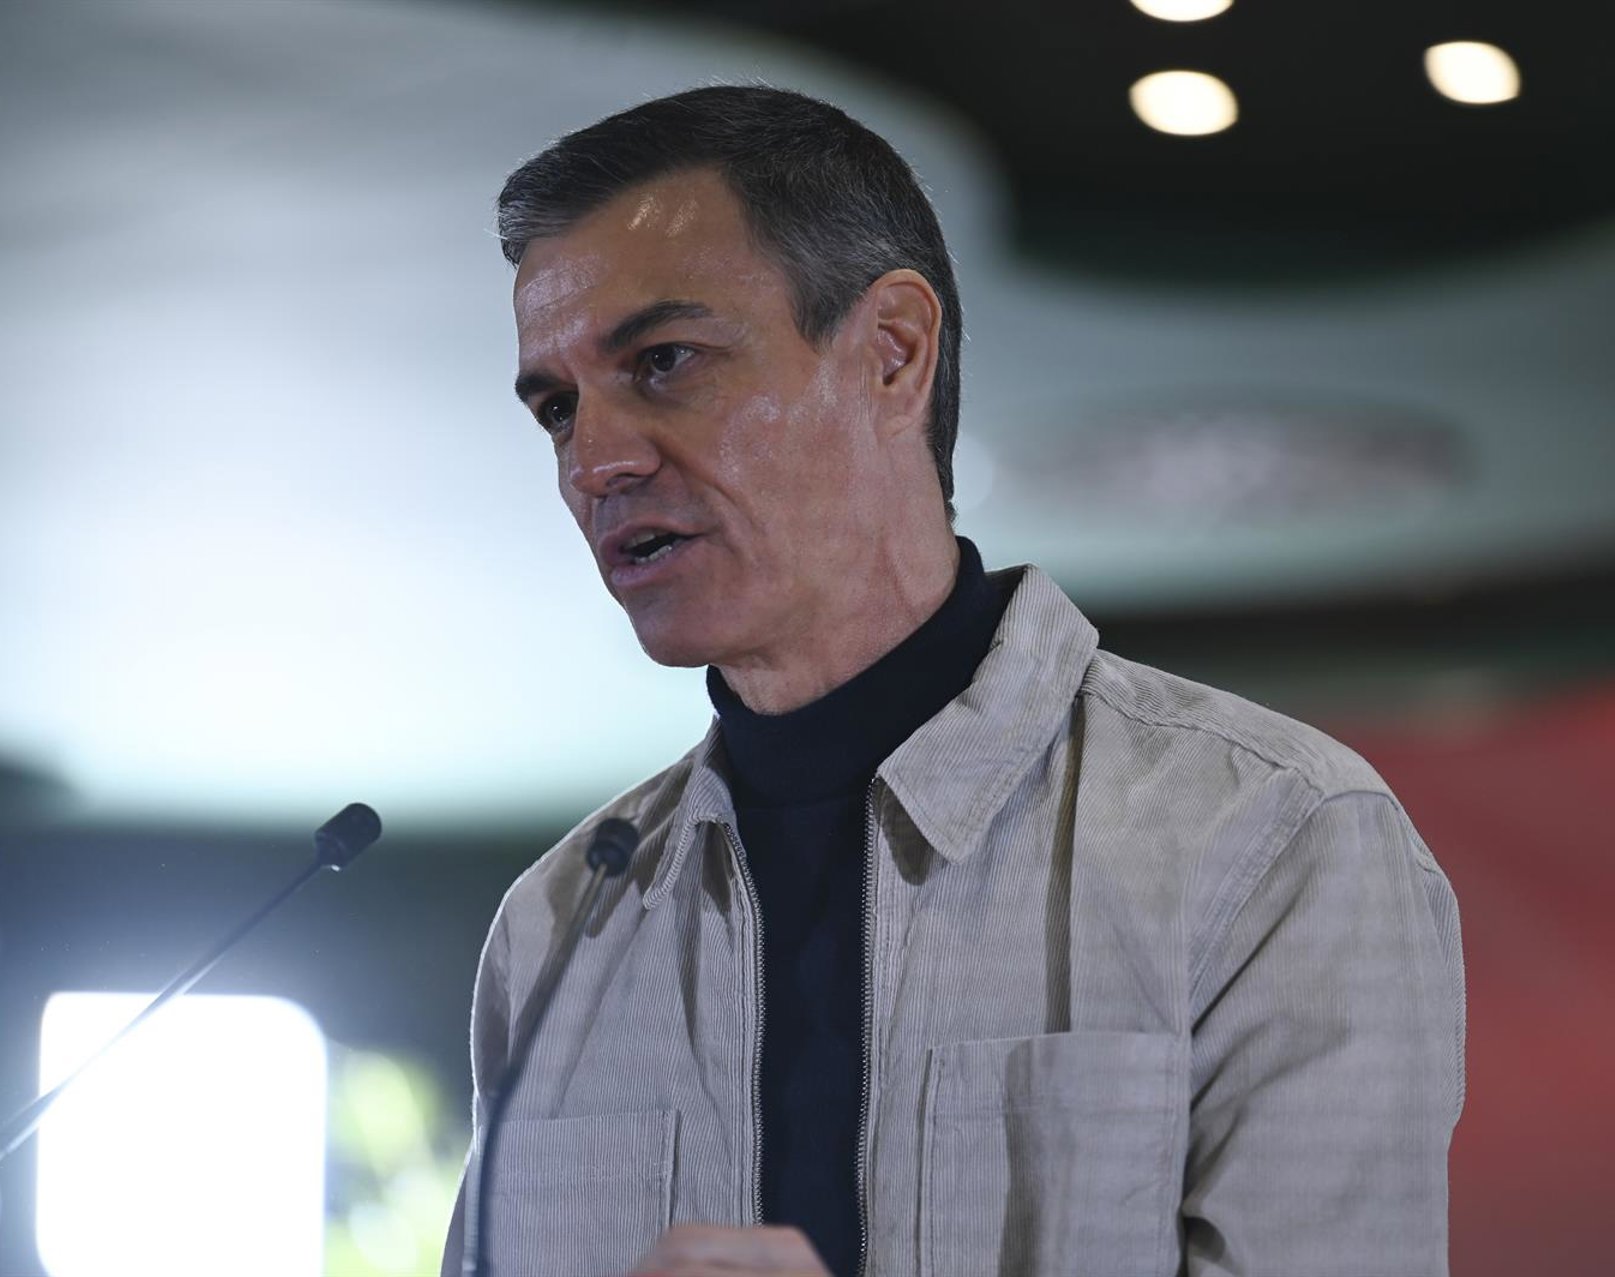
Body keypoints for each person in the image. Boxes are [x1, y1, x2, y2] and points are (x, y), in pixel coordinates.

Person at [442, 85, 1465, 1277]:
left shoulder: (1275, 838)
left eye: (664, 362)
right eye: (558, 408)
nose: (596, 460)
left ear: (893, 352)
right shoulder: (557, 928)